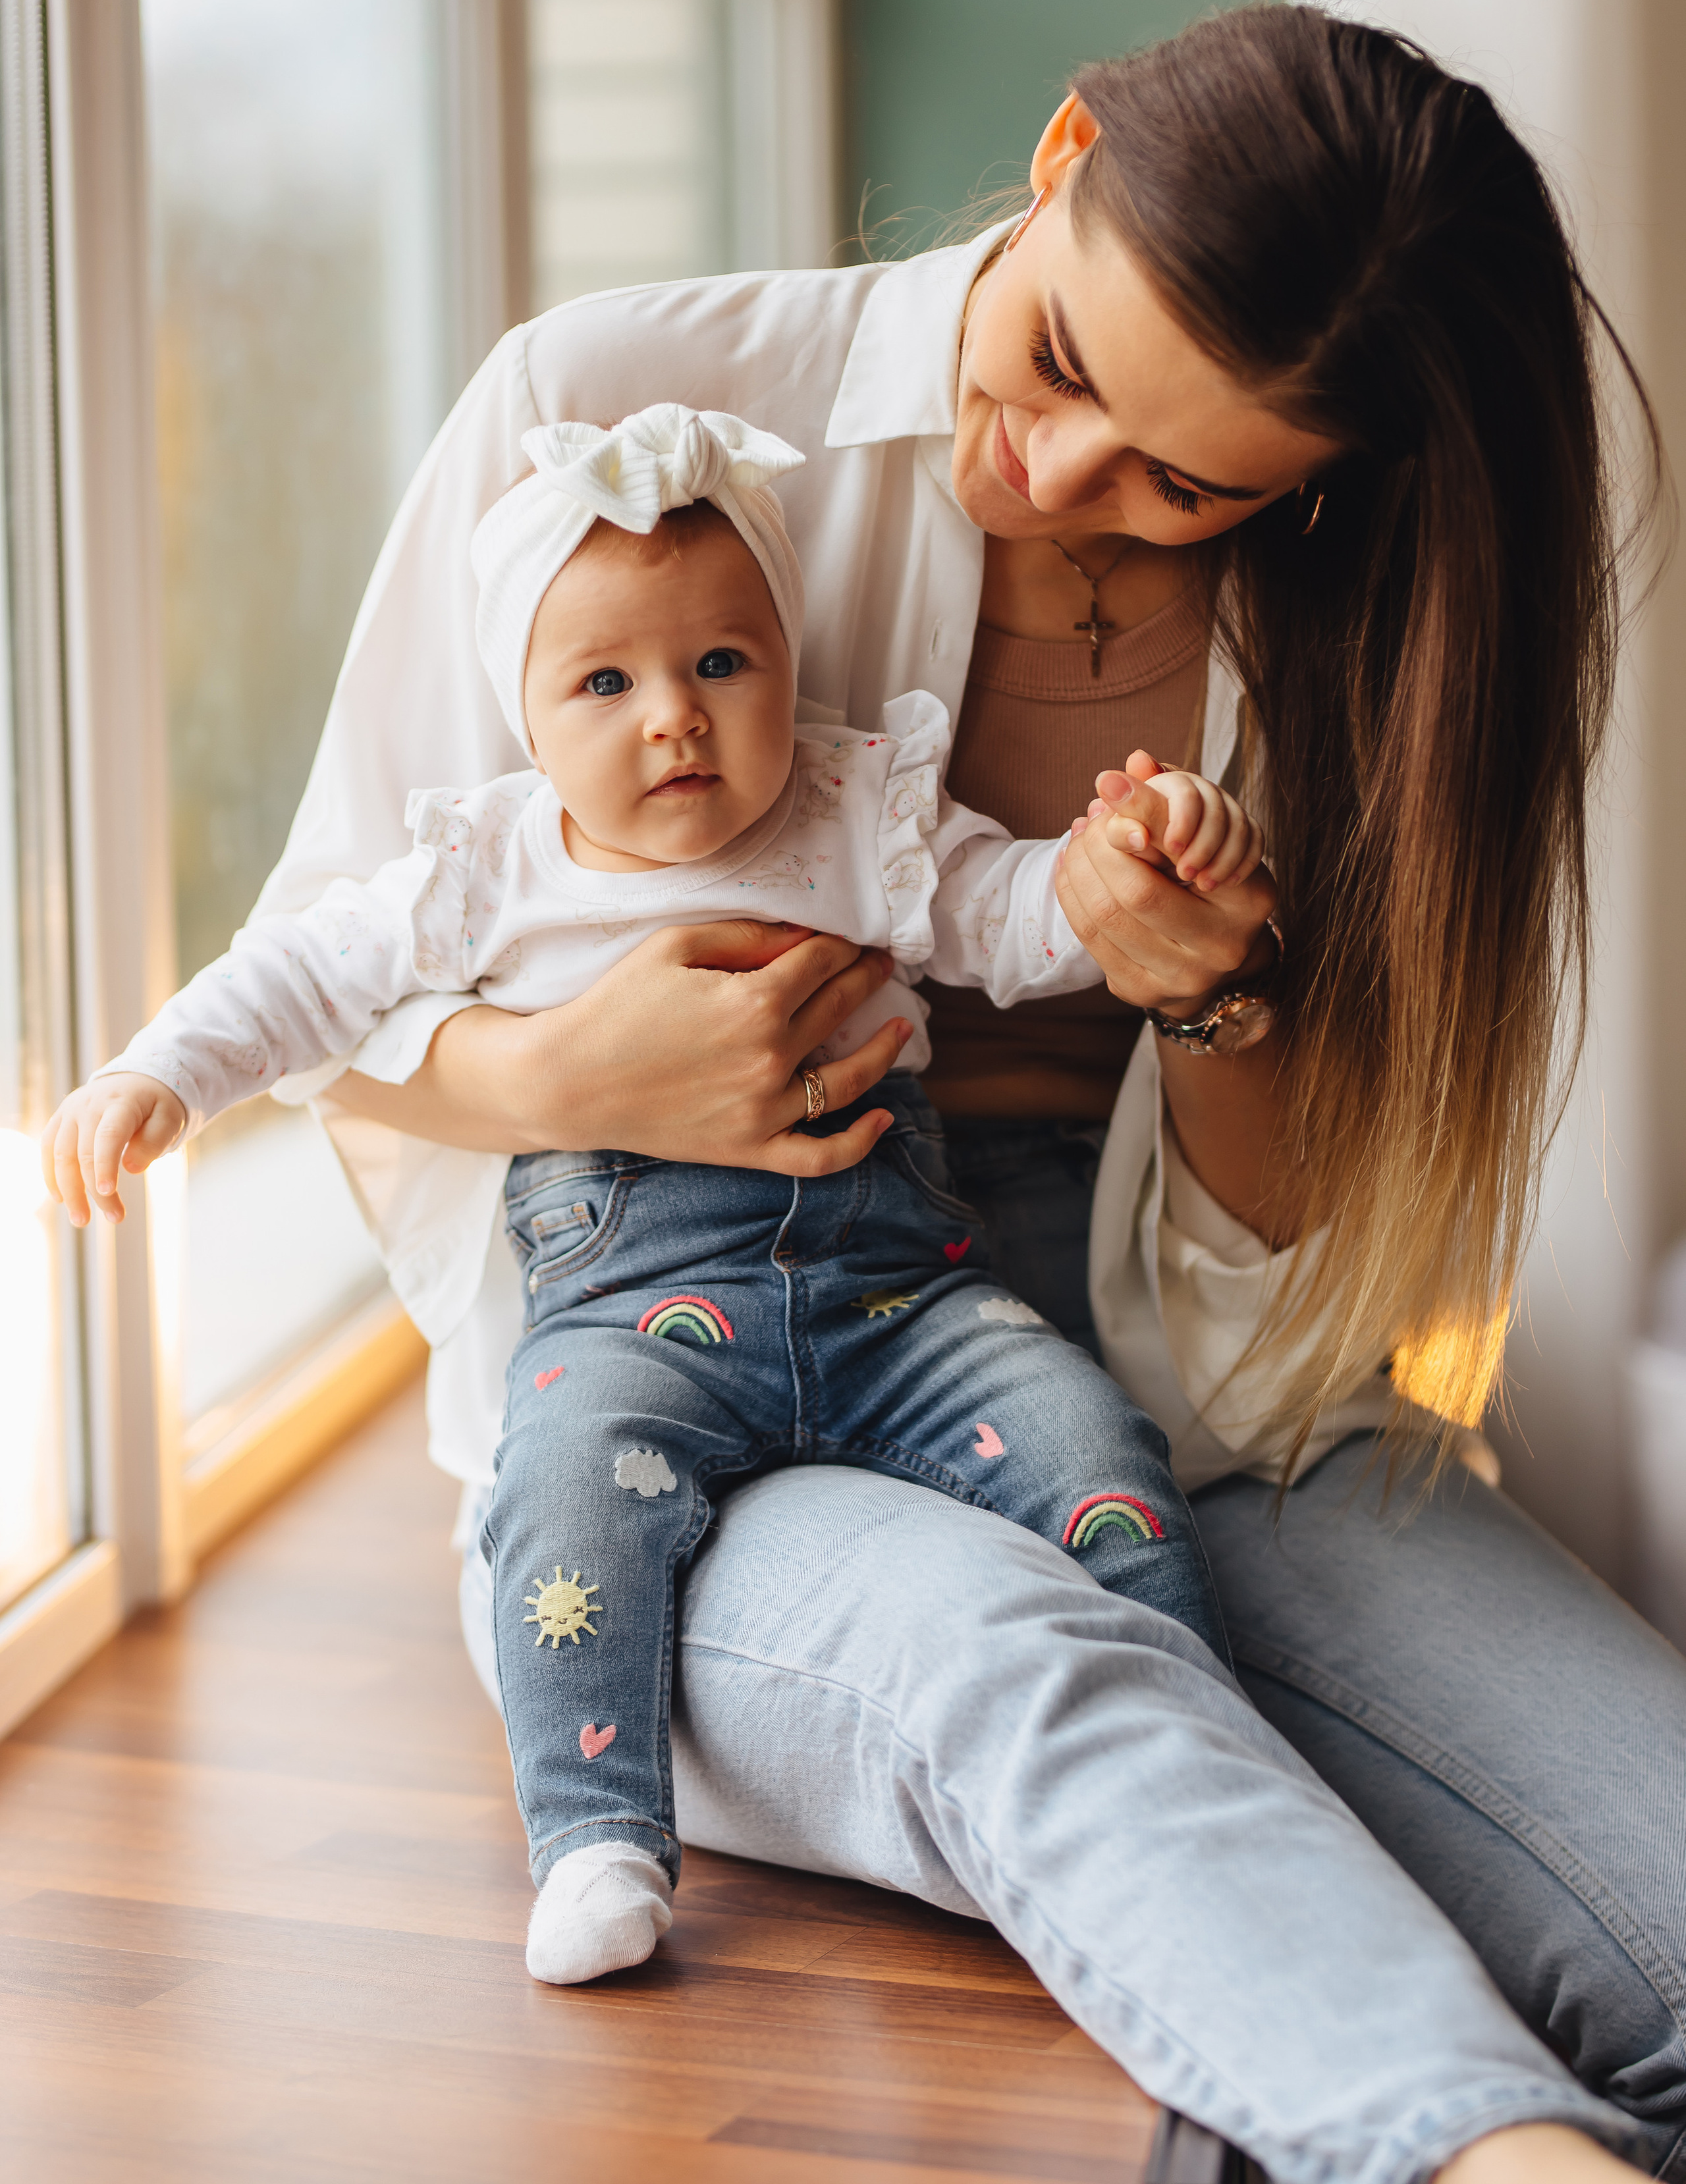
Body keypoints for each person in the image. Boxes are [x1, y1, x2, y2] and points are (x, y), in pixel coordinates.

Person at [107, 6, 1686, 2179]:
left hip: (1150, 1373)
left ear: (1319, 487)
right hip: (680, 1387)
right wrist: (583, 1068)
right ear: (1058, 157)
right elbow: (339, 983)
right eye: (1056, 359)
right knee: (1033, 1671)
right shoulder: (610, 416)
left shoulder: (1366, 641)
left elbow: (1260, 1317)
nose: (1050, 472)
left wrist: (1217, 996)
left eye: (1183, 476)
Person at [45, 401, 1251, 1983]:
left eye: (720, 665)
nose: (674, 719)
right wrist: (159, 1073)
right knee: (555, 1502)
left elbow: (1008, 921)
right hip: (632, 1323)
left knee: (1094, 1444)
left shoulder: (854, 811)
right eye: (606, 684)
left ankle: (1207, 1770)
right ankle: (598, 1837)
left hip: (906, 1296)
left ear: (783, 662)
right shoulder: (488, 865)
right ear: (528, 716)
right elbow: (303, 975)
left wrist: (1114, 872)